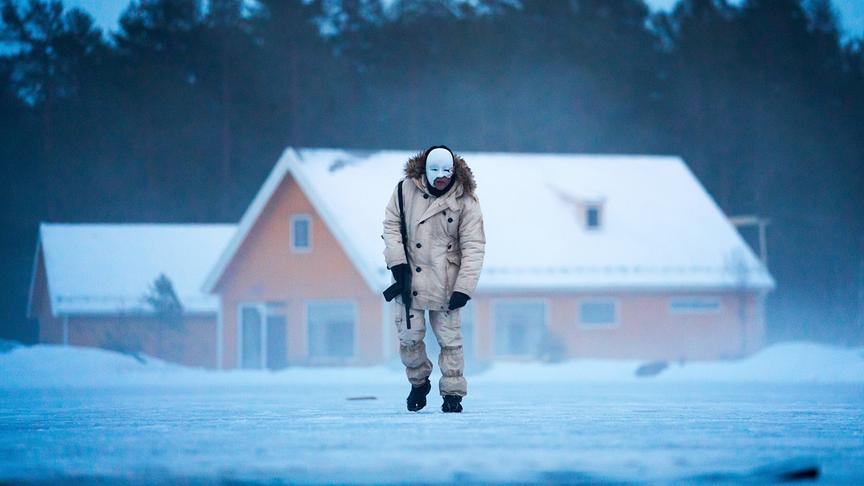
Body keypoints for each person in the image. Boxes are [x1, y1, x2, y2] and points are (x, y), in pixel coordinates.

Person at [381, 145, 486, 413]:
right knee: (409, 337)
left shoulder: (466, 201)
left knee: (450, 341)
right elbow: (391, 227)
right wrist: (397, 264)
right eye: (435, 170)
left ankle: (453, 395)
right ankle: (418, 383)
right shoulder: (404, 191)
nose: (441, 176)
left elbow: (474, 247)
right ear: (425, 170)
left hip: (447, 282)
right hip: (409, 279)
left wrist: (464, 287)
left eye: (446, 171)